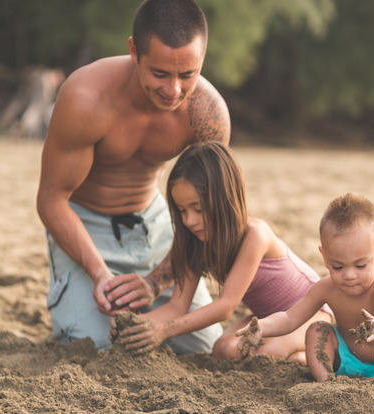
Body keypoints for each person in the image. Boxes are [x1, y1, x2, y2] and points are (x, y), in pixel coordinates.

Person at [37, 0, 230, 354]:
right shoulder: (85, 97)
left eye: (187, 74)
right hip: (84, 226)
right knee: (96, 347)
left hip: (157, 225)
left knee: (206, 350)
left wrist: (156, 284)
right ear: (133, 51)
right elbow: (51, 200)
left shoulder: (208, 114)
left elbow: (213, 213)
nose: (174, 90)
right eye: (159, 73)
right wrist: (99, 274)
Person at [110, 142, 332, 360]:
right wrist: (137, 326)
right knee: (223, 350)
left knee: (267, 355)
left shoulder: (255, 234)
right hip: (266, 319)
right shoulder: (195, 241)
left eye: (198, 209)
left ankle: (310, 355)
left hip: (312, 314)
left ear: (224, 198)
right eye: (182, 211)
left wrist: (164, 330)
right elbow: (178, 305)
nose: (189, 220)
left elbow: (226, 306)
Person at [235, 193, 374, 391]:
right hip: (345, 357)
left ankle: (371, 384)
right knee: (318, 329)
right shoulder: (326, 288)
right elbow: (290, 317)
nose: (349, 275)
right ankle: (327, 383)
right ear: (324, 257)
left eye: (360, 265)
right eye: (337, 267)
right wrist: (261, 327)